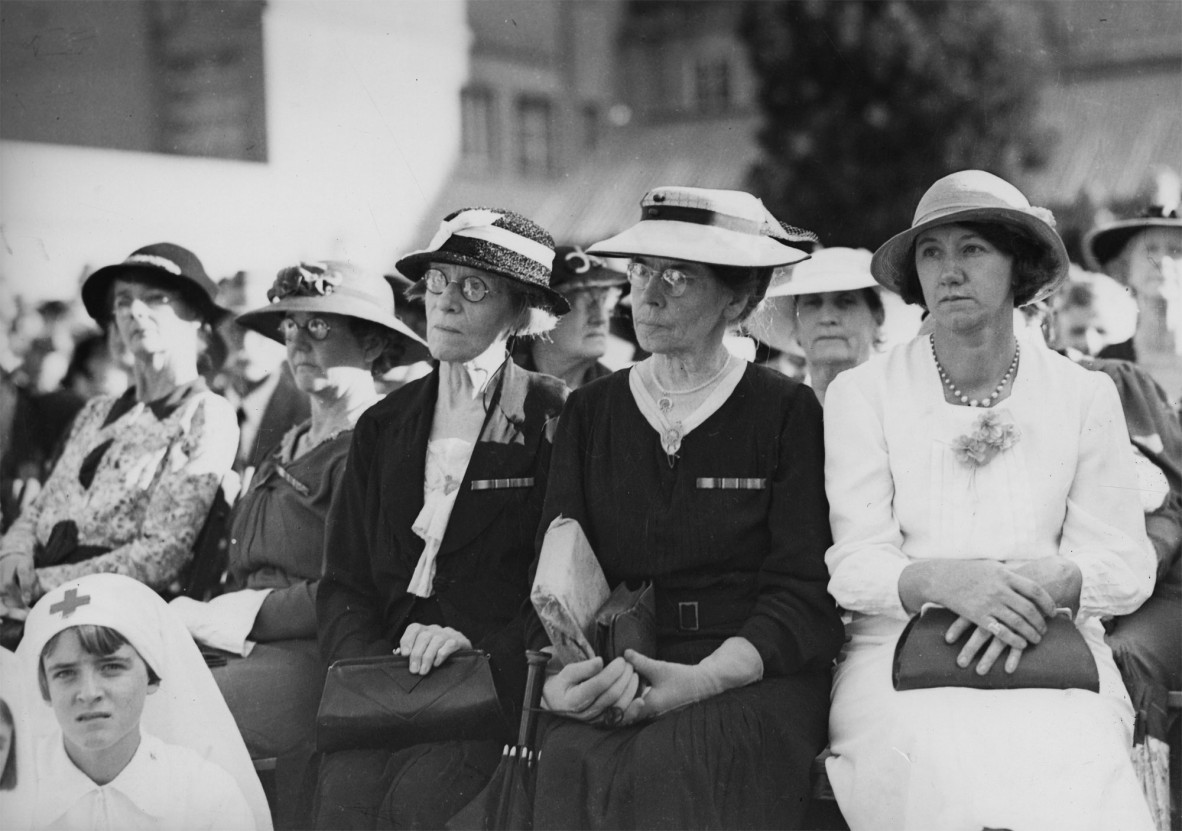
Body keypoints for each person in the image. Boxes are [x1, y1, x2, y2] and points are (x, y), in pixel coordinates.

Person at [823, 169, 1157, 830]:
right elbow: (854, 564)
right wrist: (946, 581)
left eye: (972, 249)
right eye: (931, 252)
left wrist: (1054, 580)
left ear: (1019, 267)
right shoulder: (863, 394)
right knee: (932, 762)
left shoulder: (1081, 394)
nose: (948, 270)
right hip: (904, 650)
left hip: (1050, 642)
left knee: (1077, 759)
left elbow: (1126, 560)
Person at [523, 186, 844, 829]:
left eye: (678, 276)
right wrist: (566, 678)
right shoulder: (590, 412)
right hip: (622, 663)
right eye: (642, 272)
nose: (649, 293)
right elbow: (552, 571)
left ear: (739, 298)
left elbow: (804, 591)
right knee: (564, 757)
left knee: (673, 763)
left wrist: (706, 678)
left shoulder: (785, 412)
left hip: (750, 672)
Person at [313, 208, 569, 829]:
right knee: (338, 799)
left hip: (490, 692)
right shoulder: (382, 424)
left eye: (473, 287)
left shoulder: (554, 416)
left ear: (520, 311)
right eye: (436, 282)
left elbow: (560, 586)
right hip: (382, 687)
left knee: (424, 801)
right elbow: (344, 582)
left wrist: (474, 650)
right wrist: (375, 677)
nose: (446, 302)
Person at [168, 261, 428, 764]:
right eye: (290, 327)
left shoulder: (374, 451)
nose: (297, 343)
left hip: (309, 663)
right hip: (235, 647)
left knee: (169, 715)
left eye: (319, 326)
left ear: (372, 345)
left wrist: (231, 615)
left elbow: (357, 589)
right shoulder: (287, 443)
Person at [0, 244, 239, 618]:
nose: (134, 311)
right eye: (123, 300)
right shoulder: (97, 410)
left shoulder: (204, 413)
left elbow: (159, 557)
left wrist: (38, 587)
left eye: (155, 298)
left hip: (110, 614)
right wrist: (13, 553)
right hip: (31, 599)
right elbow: (40, 508)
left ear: (195, 316)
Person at [11, 573, 270, 830]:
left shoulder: (207, 797)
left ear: (152, 678)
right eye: (65, 673)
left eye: (111, 667)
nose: (89, 693)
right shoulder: (12, 793)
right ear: (45, 689)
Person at [1084, 191, 1182, 403]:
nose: (1161, 260)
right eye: (1149, 250)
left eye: (1176, 250)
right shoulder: (1107, 363)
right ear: (1125, 268)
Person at [759, 247, 884, 404]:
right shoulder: (773, 410)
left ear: (877, 317)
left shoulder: (900, 408)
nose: (827, 318)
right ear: (795, 324)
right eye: (813, 302)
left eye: (845, 301)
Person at [514, 244, 627, 389]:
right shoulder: (495, 381)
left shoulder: (615, 395)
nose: (600, 319)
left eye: (606, 302)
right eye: (585, 302)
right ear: (542, 313)